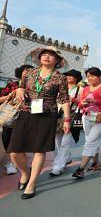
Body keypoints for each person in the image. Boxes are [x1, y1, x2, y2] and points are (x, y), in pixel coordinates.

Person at [9, 46, 70, 199]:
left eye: (51, 55)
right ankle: (25, 173)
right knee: (15, 151)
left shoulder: (60, 78)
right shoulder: (29, 73)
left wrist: (67, 119)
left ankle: (31, 183)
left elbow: (64, 99)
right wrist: (19, 90)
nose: (47, 57)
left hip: (47, 116)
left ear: (57, 60)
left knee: (39, 150)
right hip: (26, 113)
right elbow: (21, 88)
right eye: (44, 54)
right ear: (39, 58)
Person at [72, 67, 101, 178]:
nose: (90, 78)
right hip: (86, 117)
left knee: (90, 142)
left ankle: (81, 168)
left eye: (93, 76)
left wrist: (95, 100)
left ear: (99, 76)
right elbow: (80, 105)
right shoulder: (86, 88)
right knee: (90, 140)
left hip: (100, 118)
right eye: (88, 76)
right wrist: (82, 103)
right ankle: (96, 163)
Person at [49, 69, 83, 176]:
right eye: (67, 75)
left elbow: (84, 103)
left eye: (71, 75)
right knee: (58, 140)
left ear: (77, 78)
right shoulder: (59, 88)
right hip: (57, 116)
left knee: (65, 142)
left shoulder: (81, 89)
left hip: (72, 117)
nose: (68, 77)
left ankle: (58, 166)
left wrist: (75, 100)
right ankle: (66, 158)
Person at [0, 65, 33, 175]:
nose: (27, 73)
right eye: (25, 71)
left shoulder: (35, 87)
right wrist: (13, 94)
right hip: (10, 117)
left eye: (31, 71)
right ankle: (11, 163)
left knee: (21, 142)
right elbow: (1, 98)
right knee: (7, 140)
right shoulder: (13, 85)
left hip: (26, 118)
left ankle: (16, 163)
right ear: (20, 73)